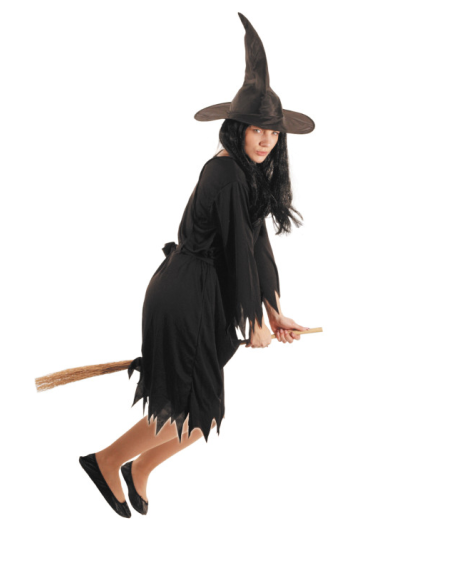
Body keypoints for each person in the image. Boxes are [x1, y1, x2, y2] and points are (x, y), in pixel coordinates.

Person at [78, 13, 315, 518]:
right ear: (237, 130)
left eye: (272, 132)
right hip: (187, 292)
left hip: (209, 295)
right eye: (256, 129)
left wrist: (273, 311)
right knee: (186, 400)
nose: (265, 139)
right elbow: (236, 251)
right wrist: (253, 320)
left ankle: (140, 468)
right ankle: (107, 461)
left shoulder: (249, 178)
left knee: (203, 409)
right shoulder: (226, 175)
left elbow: (256, 247)